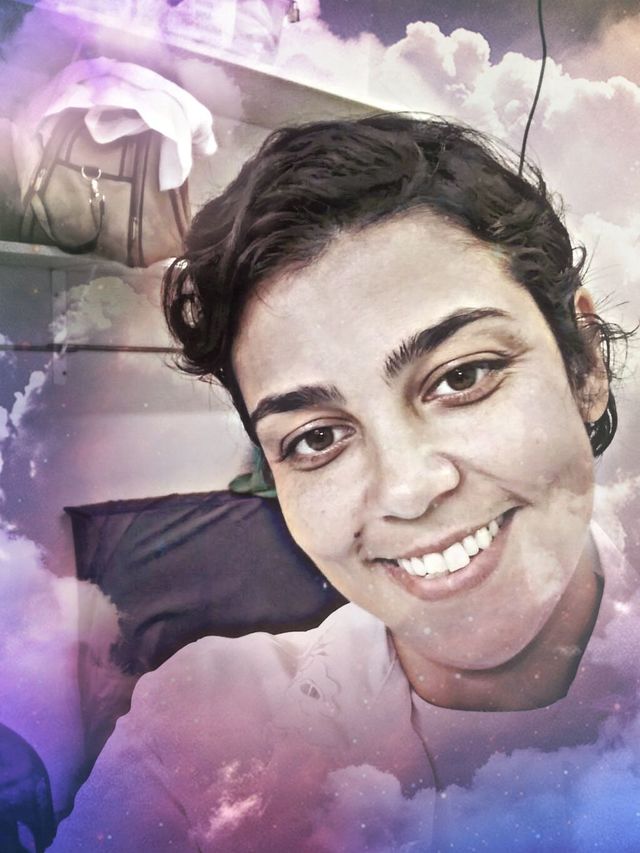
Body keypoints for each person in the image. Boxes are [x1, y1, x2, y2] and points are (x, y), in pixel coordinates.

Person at [49, 114, 637, 852]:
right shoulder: (201, 733)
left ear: (585, 365)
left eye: (462, 376)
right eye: (317, 438)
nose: (406, 489)